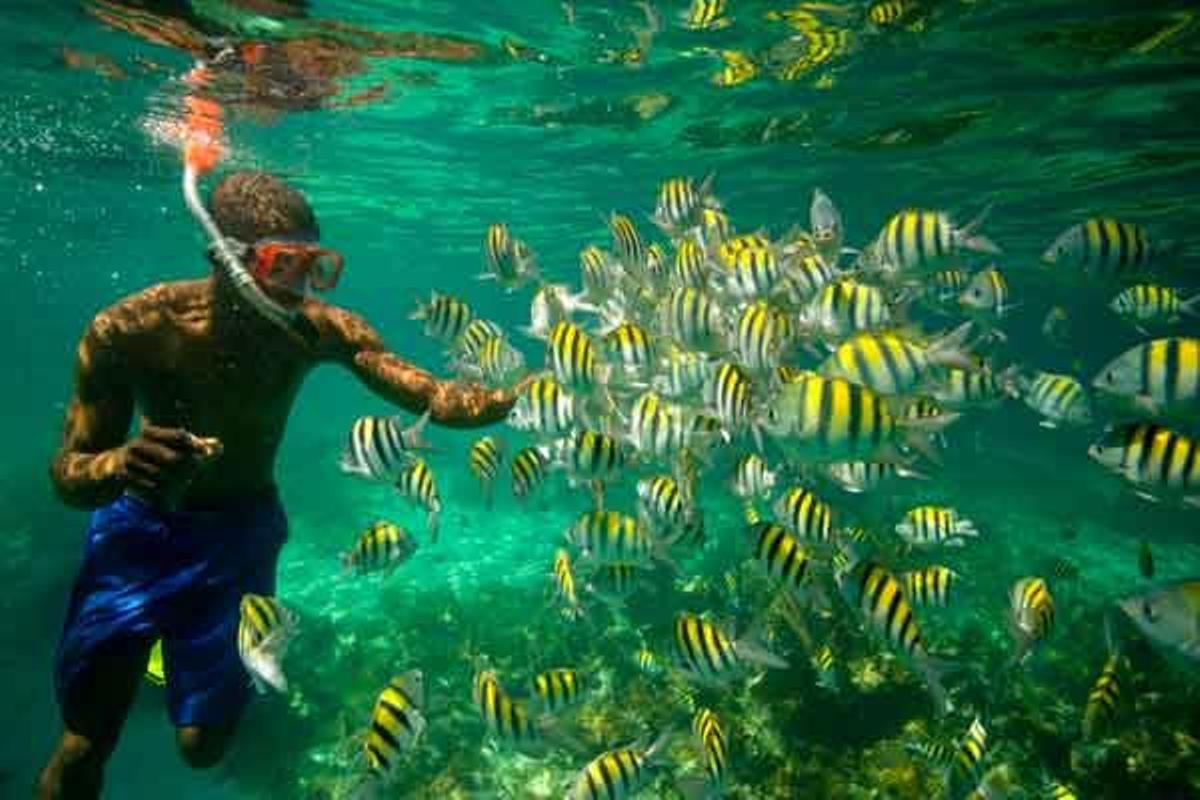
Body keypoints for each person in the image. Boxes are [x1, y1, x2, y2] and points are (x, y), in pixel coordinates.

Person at [36, 171, 518, 799]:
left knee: (203, 749)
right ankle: (152, 651)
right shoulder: (131, 328)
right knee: (84, 743)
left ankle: (175, 656)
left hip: (241, 534)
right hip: (136, 535)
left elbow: (435, 397)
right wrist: (123, 464)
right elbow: (68, 477)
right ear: (229, 259)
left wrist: (523, 394)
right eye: (283, 265)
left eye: (316, 267)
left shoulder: (317, 331)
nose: (301, 288)